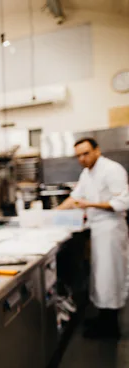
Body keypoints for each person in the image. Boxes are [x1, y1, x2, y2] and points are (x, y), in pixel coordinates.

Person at [57, 137, 129, 339]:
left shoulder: (112, 170)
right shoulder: (87, 173)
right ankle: (103, 319)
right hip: (97, 230)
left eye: (86, 153)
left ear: (97, 150)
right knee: (101, 277)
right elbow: (75, 198)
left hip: (112, 230)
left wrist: (89, 204)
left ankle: (111, 327)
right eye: (78, 155)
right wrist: (53, 214)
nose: (82, 158)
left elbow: (123, 202)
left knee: (110, 277)